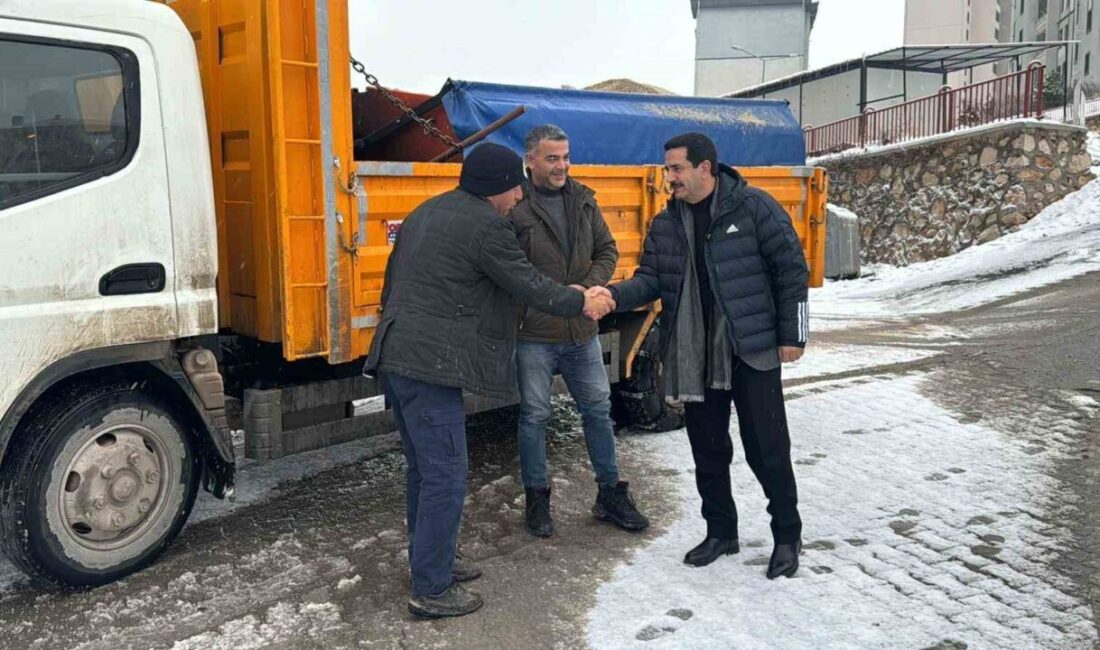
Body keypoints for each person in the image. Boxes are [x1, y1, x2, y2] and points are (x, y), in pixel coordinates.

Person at [364, 143, 613, 618]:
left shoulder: (426, 212)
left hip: (398, 355)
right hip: (429, 366)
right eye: (514, 187)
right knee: (445, 474)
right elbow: (528, 285)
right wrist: (582, 301)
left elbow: (394, 283)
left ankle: (431, 561)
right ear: (496, 187)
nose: (519, 195)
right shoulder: (487, 226)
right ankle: (431, 588)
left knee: (425, 471)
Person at [600, 132, 809, 579]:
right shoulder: (666, 223)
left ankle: (787, 536)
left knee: (767, 449)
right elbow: (651, 280)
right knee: (708, 449)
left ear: (705, 168)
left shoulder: (754, 208)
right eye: (667, 169)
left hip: (751, 348)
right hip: (694, 353)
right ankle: (721, 531)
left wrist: (794, 335)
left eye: (676, 168)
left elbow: (792, 270)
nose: (669, 177)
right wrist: (612, 296)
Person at [510, 124, 649, 538]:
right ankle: (537, 498)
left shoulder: (584, 199)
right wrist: (563, 296)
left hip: (581, 329)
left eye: (566, 157)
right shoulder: (515, 206)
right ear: (530, 160)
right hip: (534, 332)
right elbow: (512, 270)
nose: (562, 166)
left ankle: (610, 494)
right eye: (552, 158)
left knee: (598, 411)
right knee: (535, 415)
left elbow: (607, 251)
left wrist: (586, 289)